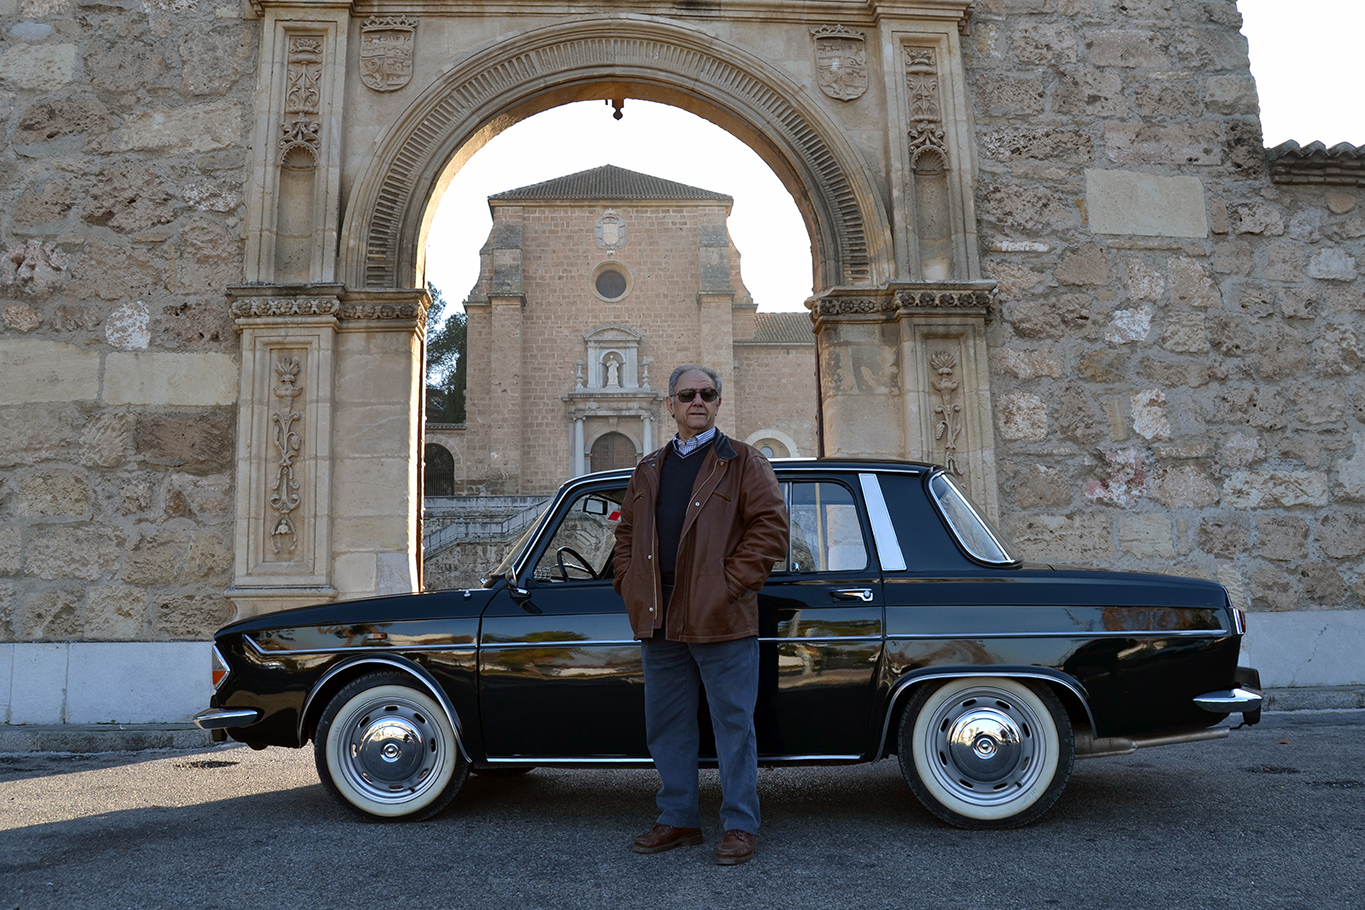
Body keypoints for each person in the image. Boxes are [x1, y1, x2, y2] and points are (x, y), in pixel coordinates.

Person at [613, 365, 789, 865]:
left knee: (734, 724)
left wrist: (729, 586)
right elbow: (625, 535)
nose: (698, 401)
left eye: (707, 394)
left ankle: (739, 825)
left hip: (721, 617)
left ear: (717, 402)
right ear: (670, 404)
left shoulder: (744, 461)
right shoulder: (648, 467)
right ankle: (678, 818)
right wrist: (628, 582)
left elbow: (771, 531)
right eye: (687, 394)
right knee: (667, 725)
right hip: (659, 617)